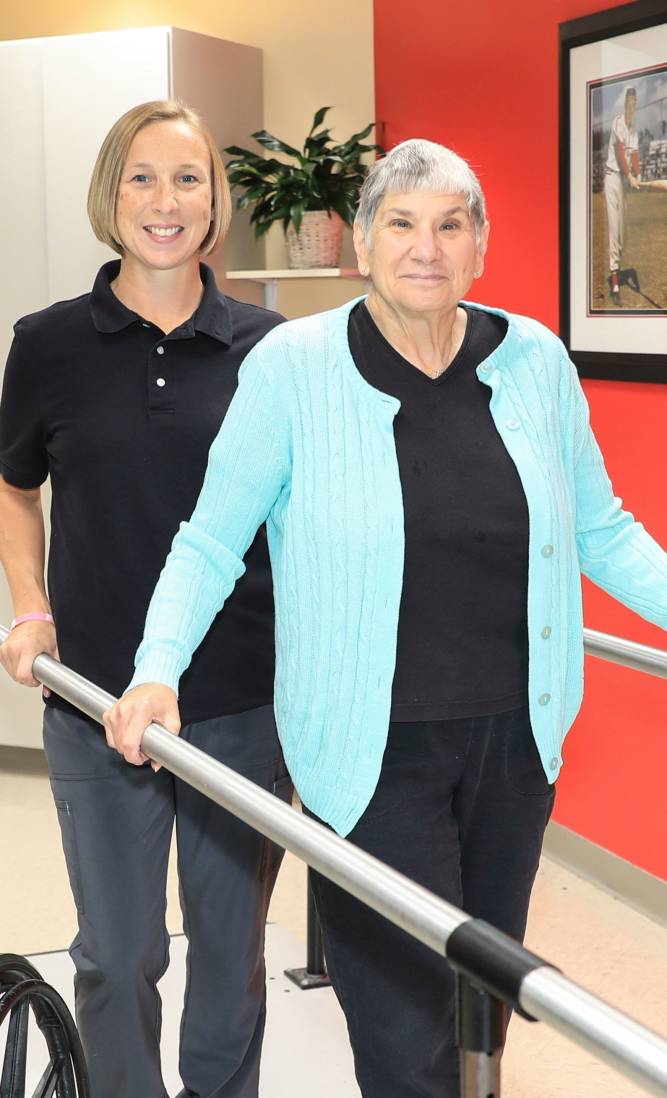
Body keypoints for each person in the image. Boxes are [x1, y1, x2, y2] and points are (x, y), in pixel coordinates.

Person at [104, 139, 667, 1098]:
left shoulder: (532, 359)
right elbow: (209, 539)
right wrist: (157, 667)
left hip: (514, 742)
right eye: (401, 224)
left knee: (481, 1010)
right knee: (407, 1043)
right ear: (363, 242)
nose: (427, 248)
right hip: (369, 754)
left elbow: (602, 530)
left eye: (451, 224)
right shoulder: (294, 367)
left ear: (481, 244)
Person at [0, 100, 291, 1098]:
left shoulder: (272, 347)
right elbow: (12, 481)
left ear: (215, 199)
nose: (165, 202)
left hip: (243, 705)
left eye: (188, 179)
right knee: (117, 960)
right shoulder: (45, 344)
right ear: (110, 193)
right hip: (94, 699)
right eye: (142, 177)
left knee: (228, 959)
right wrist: (28, 605)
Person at [604, 86, 641, 299]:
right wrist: (629, 176)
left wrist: (638, 174)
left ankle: (617, 270)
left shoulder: (634, 131)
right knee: (613, 230)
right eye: (629, 102)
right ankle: (615, 284)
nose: (632, 105)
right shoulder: (618, 122)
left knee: (622, 232)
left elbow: (634, 154)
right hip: (612, 177)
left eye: (634, 102)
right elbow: (620, 152)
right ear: (625, 103)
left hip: (623, 180)